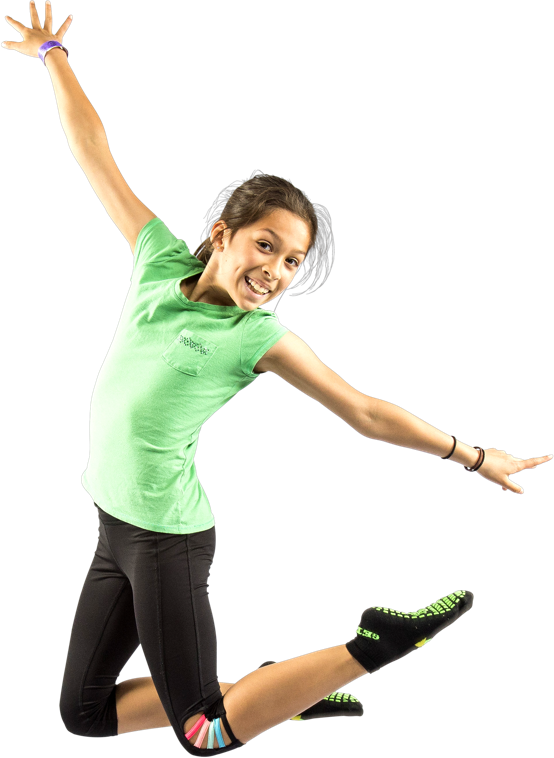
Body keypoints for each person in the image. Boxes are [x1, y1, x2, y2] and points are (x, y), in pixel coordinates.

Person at [4, 4, 552, 755]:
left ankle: (374, 645)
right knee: (84, 712)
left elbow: (363, 411)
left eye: (292, 262)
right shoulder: (158, 263)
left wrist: (472, 454)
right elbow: (94, 155)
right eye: (267, 245)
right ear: (223, 235)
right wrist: (56, 59)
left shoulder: (258, 337)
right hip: (114, 529)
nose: (277, 271)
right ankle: (280, 697)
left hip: (169, 540)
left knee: (205, 732)